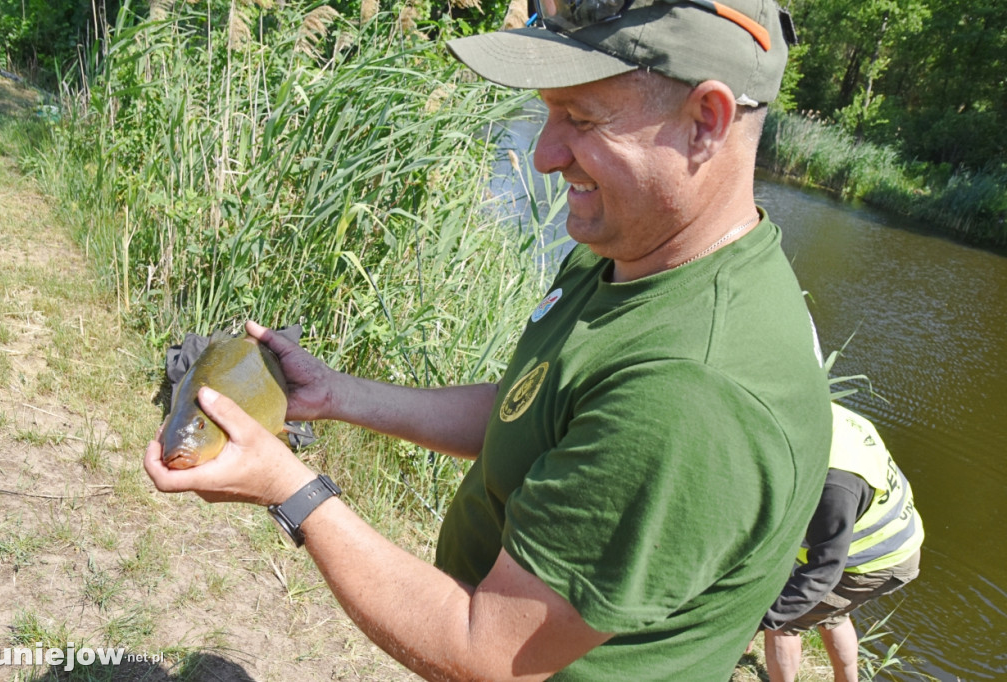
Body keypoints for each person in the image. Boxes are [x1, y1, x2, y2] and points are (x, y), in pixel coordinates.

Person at [145, 1, 833, 679]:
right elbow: (533, 410)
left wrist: (289, 490)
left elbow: (489, 652)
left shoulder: (692, 387)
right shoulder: (631, 252)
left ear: (705, 121)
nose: (543, 155)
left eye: (582, 118)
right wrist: (335, 396)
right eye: (548, 111)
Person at [759, 403, 924, 682]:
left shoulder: (835, 484)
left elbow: (824, 571)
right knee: (832, 615)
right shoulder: (828, 412)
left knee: (783, 622)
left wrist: (758, 621)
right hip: (898, 544)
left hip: (872, 559)